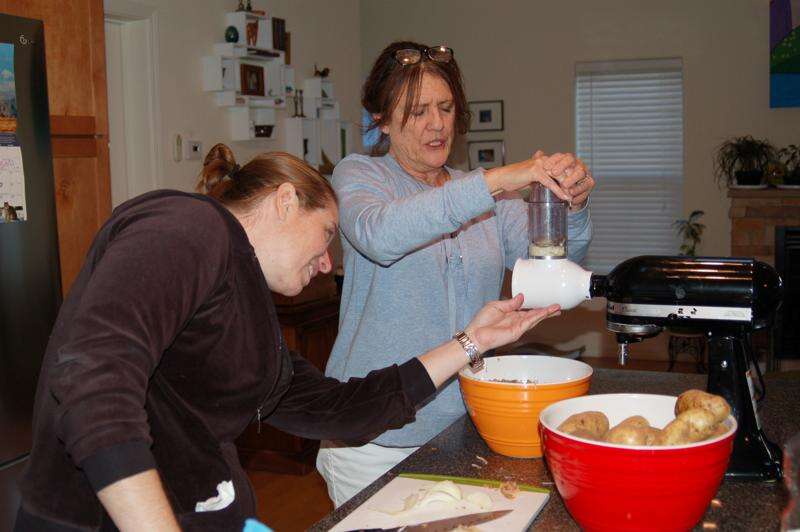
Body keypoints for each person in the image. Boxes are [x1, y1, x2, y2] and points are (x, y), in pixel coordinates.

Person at [13, 144, 559, 532]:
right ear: (283, 201)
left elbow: (341, 409)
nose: (327, 265)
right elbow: (95, 379)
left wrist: (472, 340)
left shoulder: (250, 317)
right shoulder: (186, 226)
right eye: (326, 236)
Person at [317, 41, 596, 507]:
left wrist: (574, 203)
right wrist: (496, 180)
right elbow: (382, 236)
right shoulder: (359, 176)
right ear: (381, 120)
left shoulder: (480, 193)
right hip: (370, 438)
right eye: (417, 111)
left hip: (461, 426)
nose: (437, 123)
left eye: (445, 108)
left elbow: (550, 257)